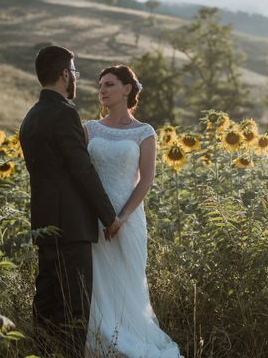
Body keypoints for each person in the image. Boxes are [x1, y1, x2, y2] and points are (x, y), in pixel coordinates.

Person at [19, 46, 122, 356]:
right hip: (72, 226)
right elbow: (82, 170)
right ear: (65, 75)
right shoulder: (65, 113)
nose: (75, 78)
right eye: (74, 72)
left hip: (44, 223)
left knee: (47, 303)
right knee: (75, 310)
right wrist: (109, 215)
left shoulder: (31, 116)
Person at [83, 65, 181, 357]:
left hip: (128, 218)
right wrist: (103, 217)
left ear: (127, 89)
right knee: (99, 284)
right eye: (100, 85)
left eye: (110, 84)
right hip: (95, 218)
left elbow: (146, 180)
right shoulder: (89, 129)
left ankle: (133, 340)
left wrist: (121, 218)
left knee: (128, 284)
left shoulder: (144, 132)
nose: (103, 90)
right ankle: (100, 341)